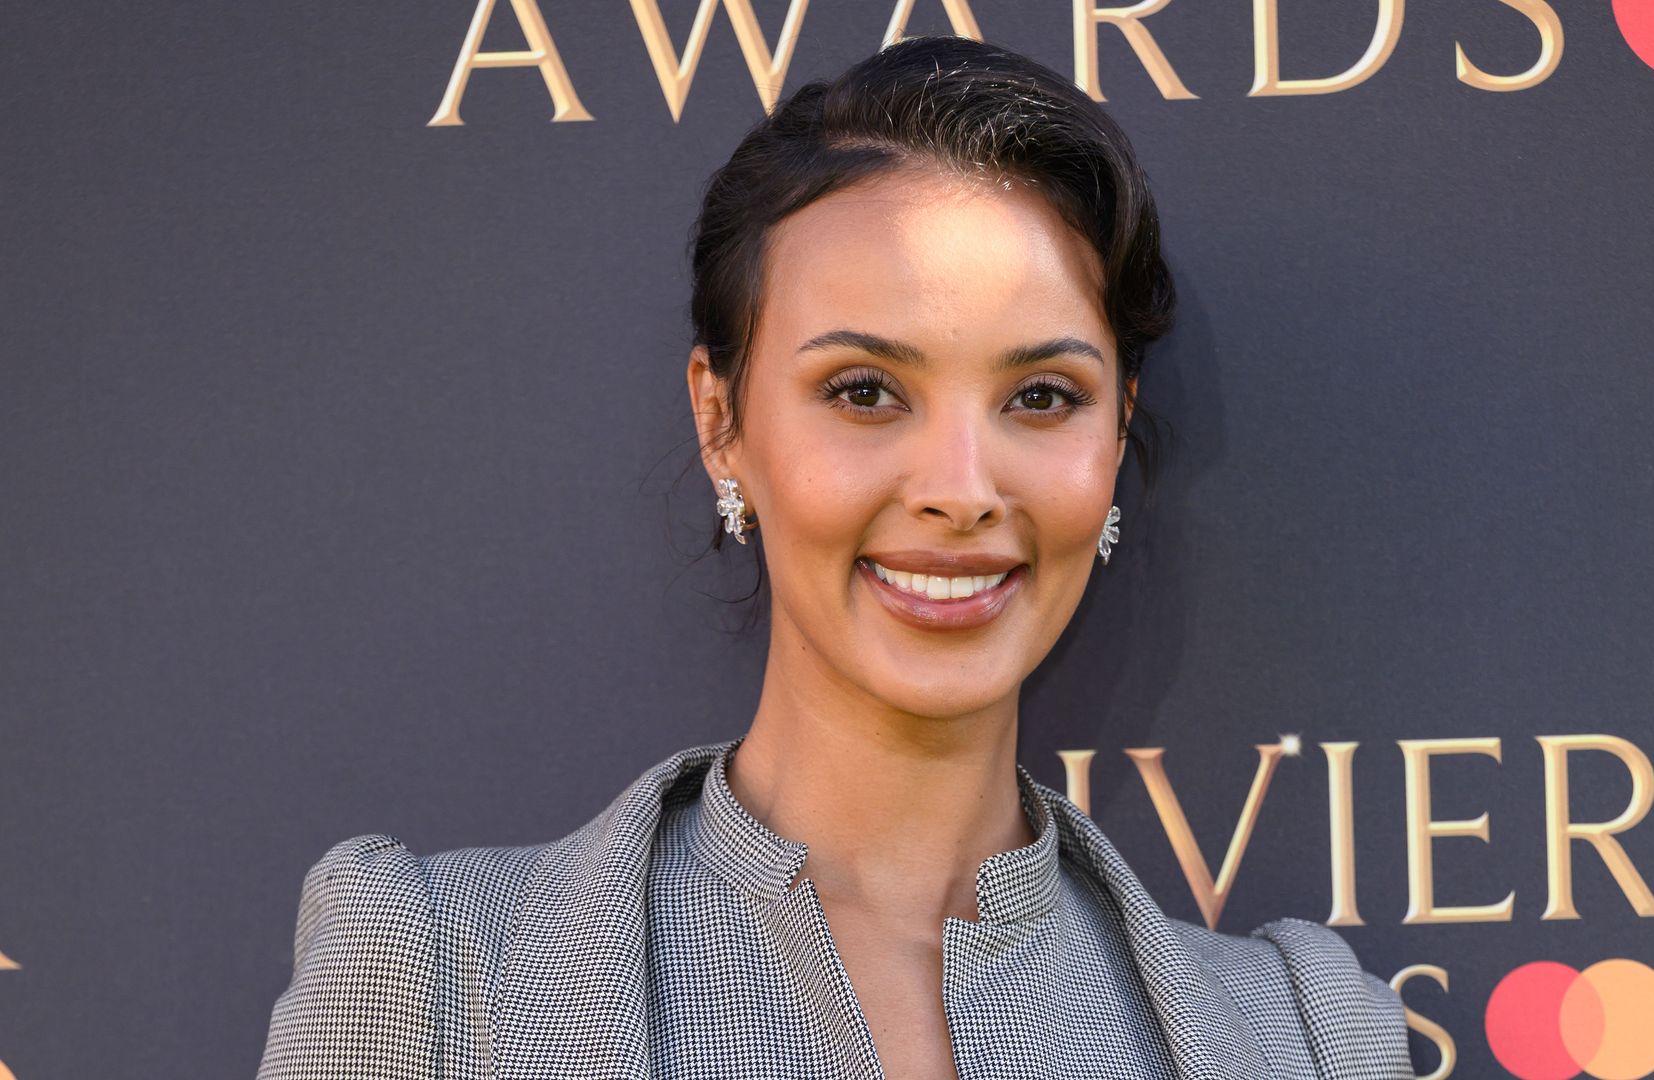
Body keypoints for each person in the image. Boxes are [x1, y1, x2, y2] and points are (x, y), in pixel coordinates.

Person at [255, 35, 1414, 1080]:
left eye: (1042, 396)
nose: (961, 490)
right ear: (722, 420)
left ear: (1115, 436)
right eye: (864, 392)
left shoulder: (1305, 1041)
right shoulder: (436, 991)